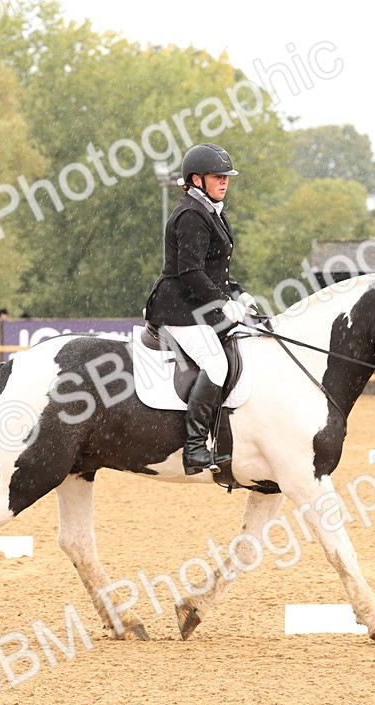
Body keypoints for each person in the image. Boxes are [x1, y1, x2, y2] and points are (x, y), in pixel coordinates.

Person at [144, 143, 254, 475]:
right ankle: (193, 449)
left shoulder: (211, 211)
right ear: (196, 179)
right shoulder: (192, 214)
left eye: (226, 177)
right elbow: (191, 272)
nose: (224, 182)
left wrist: (239, 294)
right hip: (177, 309)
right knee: (216, 363)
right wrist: (223, 305)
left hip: (196, 307)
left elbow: (215, 270)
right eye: (218, 176)